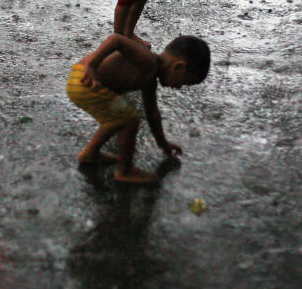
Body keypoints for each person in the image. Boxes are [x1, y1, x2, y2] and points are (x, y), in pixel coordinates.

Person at [66, 33, 210, 183]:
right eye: (184, 82)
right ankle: (124, 171)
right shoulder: (147, 59)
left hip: (83, 83)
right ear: (179, 67)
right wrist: (91, 66)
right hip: (86, 80)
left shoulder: (150, 79)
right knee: (130, 119)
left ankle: (90, 153)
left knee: (116, 119)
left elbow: (152, 113)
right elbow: (116, 40)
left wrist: (163, 143)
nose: (179, 87)